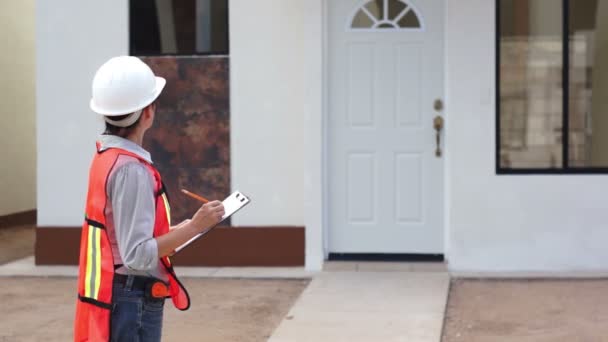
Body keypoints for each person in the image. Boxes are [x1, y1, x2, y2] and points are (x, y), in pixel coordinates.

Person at [74, 56, 225, 342]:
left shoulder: (106, 157)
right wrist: (194, 227)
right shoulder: (132, 169)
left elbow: (123, 236)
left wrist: (185, 228)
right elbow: (137, 255)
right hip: (132, 299)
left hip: (119, 294)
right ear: (147, 113)